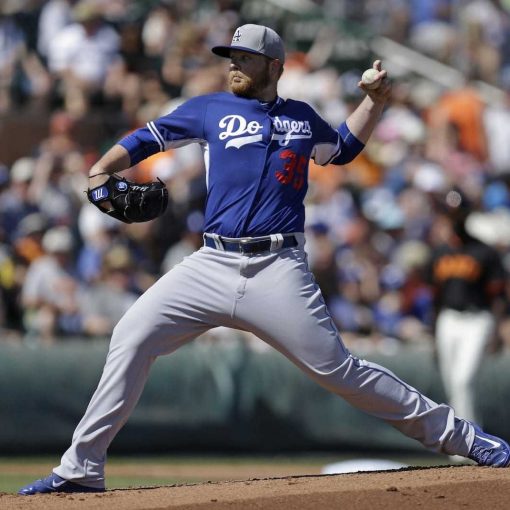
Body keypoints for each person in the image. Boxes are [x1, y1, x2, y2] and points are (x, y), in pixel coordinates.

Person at [19, 23, 510, 495]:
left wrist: (373, 103)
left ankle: (465, 438)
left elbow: (340, 150)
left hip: (278, 268)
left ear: (274, 66)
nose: (234, 64)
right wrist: (101, 169)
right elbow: (149, 136)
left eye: (245, 58)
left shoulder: (301, 117)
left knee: (339, 370)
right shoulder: (211, 108)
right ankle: (81, 468)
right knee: (131, 335)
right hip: (210, 263)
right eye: (231, 56)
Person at [428, 199, 506, 425]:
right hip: (448, 319)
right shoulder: (440, 252)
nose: (455, 220)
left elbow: (498, 295)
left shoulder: (484, 252)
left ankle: (470, 437)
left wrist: (497, 329)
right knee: (452, 384)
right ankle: (460, 436)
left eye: (459, 214)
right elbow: (436, 297)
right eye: (451, 214)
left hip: (477, 319)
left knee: (462, 380)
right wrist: (433, 333)